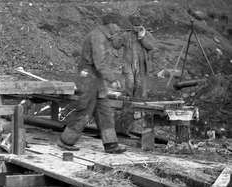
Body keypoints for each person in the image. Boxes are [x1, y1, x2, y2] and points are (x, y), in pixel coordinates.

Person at [58, 12, 127, 154]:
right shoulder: (97, 37)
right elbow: (100, 63)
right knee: (85, 110)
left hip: (97, 78)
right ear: (110, 24)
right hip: (88, 77)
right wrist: (112, 79)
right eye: (117, 26)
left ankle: (111, 144)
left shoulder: (105, 37)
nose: (118, 29)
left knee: (105, 111)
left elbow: (113, 50)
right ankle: (66, 141)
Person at [116, 14, 157, 134]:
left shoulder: (146, 34)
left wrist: (142, 37)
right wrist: (116, 36)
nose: (136, 28)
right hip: (128, 64)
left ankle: (138, 116)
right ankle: (127, 113)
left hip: (141, 66)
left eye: (138, 26)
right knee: (129, 85)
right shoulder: (126, 34)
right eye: (134, 25)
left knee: (139, 87)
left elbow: (151, 46)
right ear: (131, 25)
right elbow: (117, 45)